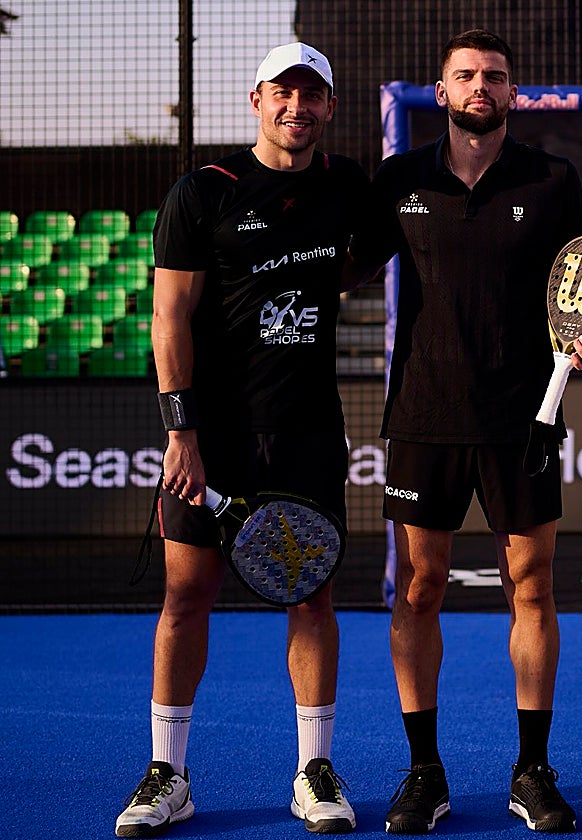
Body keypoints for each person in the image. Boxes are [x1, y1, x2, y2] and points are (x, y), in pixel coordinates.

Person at [345, 29, 582, 835]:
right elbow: (347, 266)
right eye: (466, 75)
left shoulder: (555, 179)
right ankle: (424, 772)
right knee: (420, 589)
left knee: (533, 587)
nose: (480, 86)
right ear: (442, 88)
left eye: (495, 76)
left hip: (525, 417)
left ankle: (533, 770)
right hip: (424, 416)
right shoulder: (400, 177)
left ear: (513, 92)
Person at [115, 43, 366, 837]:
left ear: (330, 107)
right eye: (283, 93)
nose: (297, 107)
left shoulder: (347, 187)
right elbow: (170, 318)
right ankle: (168, 775)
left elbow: (358, 265)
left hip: (309, 431)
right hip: (212, 436)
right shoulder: (202, 193)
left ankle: (313, 772)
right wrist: (180, 431)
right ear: (255, 99)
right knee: (187, 595)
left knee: (312, 590)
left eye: (312, 95)